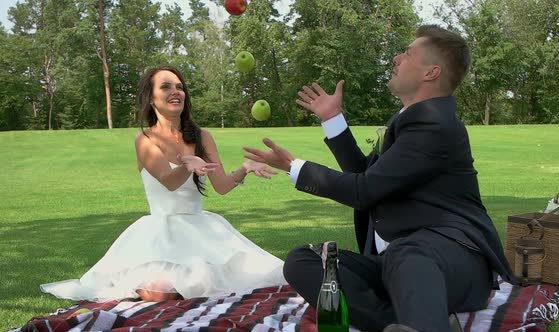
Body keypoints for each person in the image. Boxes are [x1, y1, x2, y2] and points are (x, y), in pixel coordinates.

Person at [243, 25, 515, 332]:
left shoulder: (437, 125)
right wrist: (333, 119)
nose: (397, 57)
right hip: (397, 265)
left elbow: (364, 190)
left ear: (431, 72)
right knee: (304, 260)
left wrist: (294, 166)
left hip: (451, 263)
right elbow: (367, 177)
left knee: (408, 251)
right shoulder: (408, 120)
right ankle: (406, 322)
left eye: (408, 53)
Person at [41, 65, 286, 302]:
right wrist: (186, 166)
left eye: (179, 87)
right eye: (166, 87)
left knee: (247, 276)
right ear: (151, 98)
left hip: (201, 229)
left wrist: (244, 169)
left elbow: (221, 186)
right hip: (161, 231)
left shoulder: (202, 136)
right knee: (159, 291)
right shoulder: (145, 139)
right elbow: (169, 182)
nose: (175, 92)